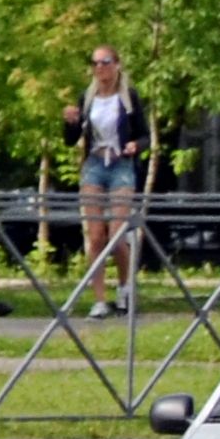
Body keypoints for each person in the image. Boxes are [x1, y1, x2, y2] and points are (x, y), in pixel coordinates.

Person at [62, 47, 149, 318]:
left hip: (121, 165)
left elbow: (146, 136)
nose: (100, 68)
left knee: (116, 235)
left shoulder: (128, 98)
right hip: (95, 165)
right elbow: (71, 139)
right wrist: (70, 123)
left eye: (105, 62)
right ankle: (99, 299)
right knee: (96, 236)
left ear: (117, 65)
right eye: (95, 63)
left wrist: (136, 145)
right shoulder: (87, 98)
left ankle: (124, 288)